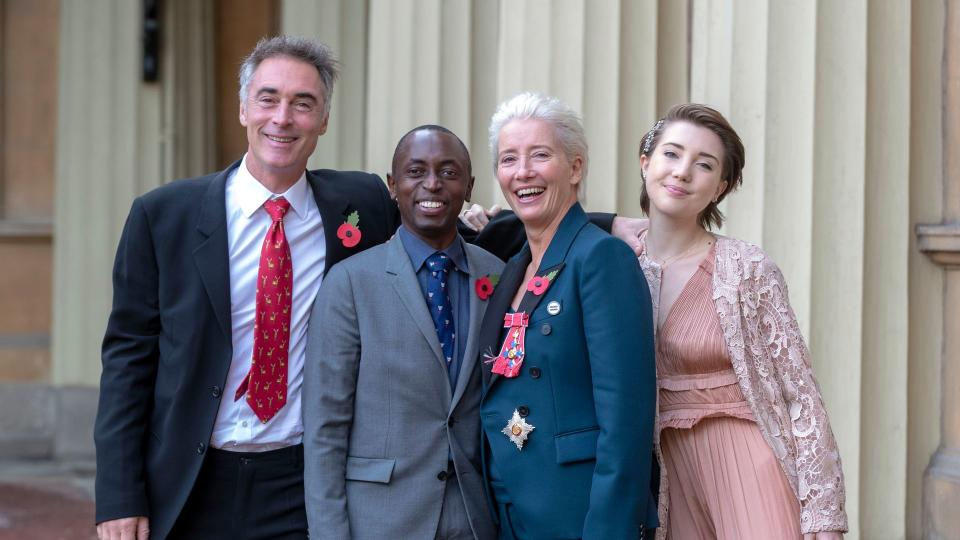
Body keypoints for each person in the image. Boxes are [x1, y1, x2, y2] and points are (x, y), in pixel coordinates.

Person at [92, 36, 408, 540]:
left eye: (303, 103)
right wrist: (117, 495)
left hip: (302, 484)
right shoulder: (163, 216)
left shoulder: (361, 203)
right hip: (190, 482)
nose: (283, 117)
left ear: (324, 120)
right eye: (268, 98)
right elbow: (128, 362)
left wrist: (506, 224)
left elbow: (436, 223)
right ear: (243, 109)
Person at [635, 103, 847, 539]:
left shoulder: (746, 268)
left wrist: (824, 520)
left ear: (720, 187)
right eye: (671, 154)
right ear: (645, 162)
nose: (682, 172)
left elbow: (800, 396)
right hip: (669, 482)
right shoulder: (615, 264)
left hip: (751, 468)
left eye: (704, 164)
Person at [303, 125, 502, 540]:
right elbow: (325, 429)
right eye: (416, 171)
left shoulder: (498, 277)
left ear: (469, 187)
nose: (432, 183)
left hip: (476, 517)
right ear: (393, 186)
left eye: (449, 172)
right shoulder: (350, 284)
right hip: (380, 520)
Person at [477, 92, 658, 539]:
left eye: (540, 155)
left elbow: (626, 419)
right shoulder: (513, 267)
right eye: (508, 159)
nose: (523, 172)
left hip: (579, 514)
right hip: (509, 512)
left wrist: (610, 529)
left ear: (575, 167)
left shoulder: (601, 258)